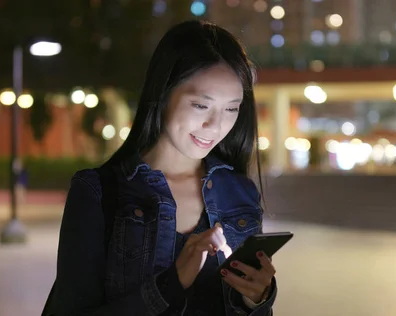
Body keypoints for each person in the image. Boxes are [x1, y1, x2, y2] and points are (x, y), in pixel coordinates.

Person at [43, 20, 277, 315]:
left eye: (231, 108)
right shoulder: (100, 192)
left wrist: (258, 299)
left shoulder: (239, 193)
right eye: (201, 106)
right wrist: (171, 284)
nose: (216, 126)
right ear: (164, 93)